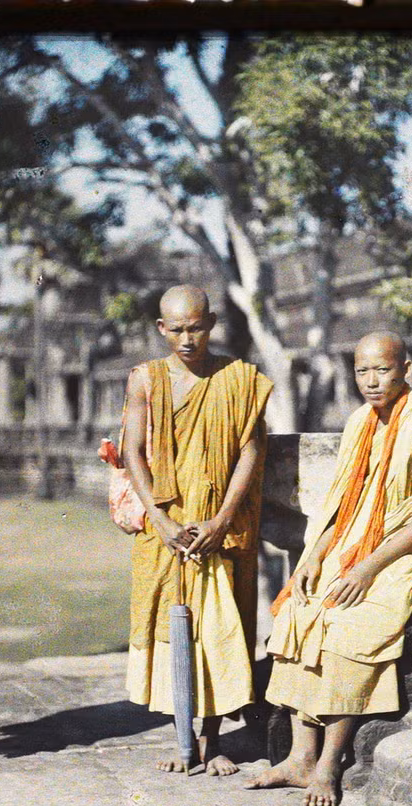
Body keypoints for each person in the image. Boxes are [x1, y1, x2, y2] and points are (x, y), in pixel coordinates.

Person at [245, 331, 412, 806]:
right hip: (353, 544)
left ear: (405, 369)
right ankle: (300, 756)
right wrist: (312, 558)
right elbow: (341, 509)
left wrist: (367, 569)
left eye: (382, 369)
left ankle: (329, 762)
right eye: (362, 371)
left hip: (405, 548)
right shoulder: (360, 423)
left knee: (348, 624)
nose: (371, 380)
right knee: (299, 611)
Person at [122, 284, 273, 776]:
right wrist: (161, 520)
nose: (187, 339)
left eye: (196, 327)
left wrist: (223, 518)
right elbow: (132, 452)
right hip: (168, 527)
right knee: (173, 632)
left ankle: (213, 739)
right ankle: (182, 735)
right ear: (162, 329)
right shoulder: (145, 380)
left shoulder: (239, 379)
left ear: (211, 324)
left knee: (218, 632)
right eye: (177, 330)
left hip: (218, 527)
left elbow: (251, 450)